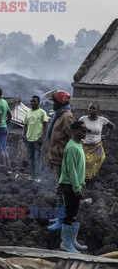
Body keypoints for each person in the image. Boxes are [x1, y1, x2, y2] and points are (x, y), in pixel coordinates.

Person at [58, 120, 89, 253]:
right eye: (82, 131)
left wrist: (82, 183)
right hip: (70, 186)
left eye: (85, 131)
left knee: (74, 214)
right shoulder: (71, 147)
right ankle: (66, 243)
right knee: (70, 214)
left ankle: (72, 241)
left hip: (76, 184)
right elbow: (71, 170)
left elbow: (79, 167)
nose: (84, 133)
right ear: (75, 131)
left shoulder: (78, 145)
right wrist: (76, 188)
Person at [45, 90, 74, 231]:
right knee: (58, 188)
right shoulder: (59, 115)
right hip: (56, 158)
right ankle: (60, 216)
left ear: (60, 103)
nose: (53, 105)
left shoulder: (67, 117)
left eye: (55, 102)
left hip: (62, 159)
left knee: (61, 189)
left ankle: (62, 220)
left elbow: (73, 138)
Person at [78, 103, 115, 190]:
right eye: (90, 108)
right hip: (86, 147)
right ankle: (85, 187)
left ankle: (91, 188)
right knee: (86, 165)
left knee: (95, 167)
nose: (91, 110)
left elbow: (112, 127)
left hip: (97, 147)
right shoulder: (83, 119)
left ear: (98, 111)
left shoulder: (102, 120)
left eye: (93, 108)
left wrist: (106, 136)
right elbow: (77, 130)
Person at [23, 95, 49, 182]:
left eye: (34, 101)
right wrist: (24, 135)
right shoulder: (28, 113)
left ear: (38, 102)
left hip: (37, 139)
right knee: (30, 158)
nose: (32, 103)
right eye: (31, 101)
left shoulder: (42, 112)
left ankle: (38, 177)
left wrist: (42, 137)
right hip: (29, 139)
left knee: (37, 158)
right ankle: (32, 175)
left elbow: (46, 125)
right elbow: (25, 125)